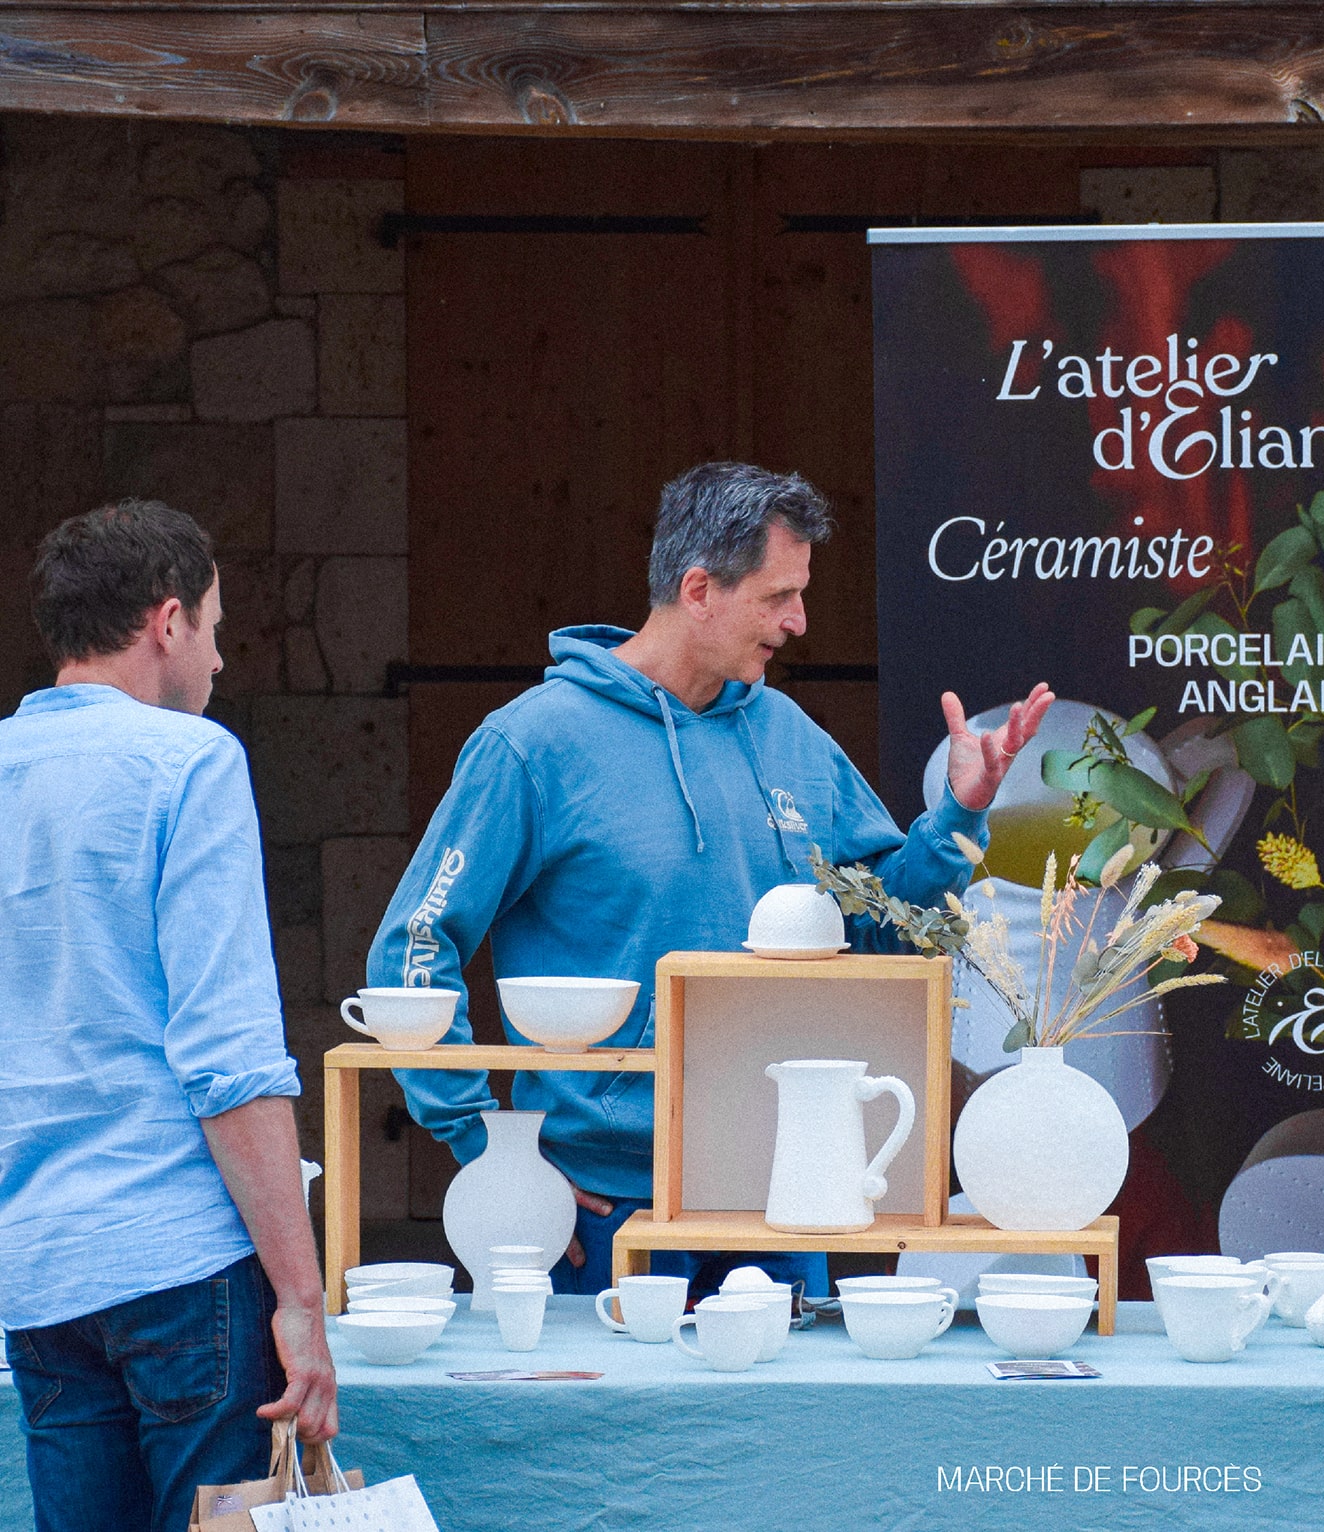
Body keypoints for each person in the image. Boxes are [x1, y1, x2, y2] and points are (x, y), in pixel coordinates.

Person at [370, 463, 1051, 1298]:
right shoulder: (533, 744)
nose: (800, 623)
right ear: (698, 589)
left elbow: (880, 928)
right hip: (600, 1210)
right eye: (778, 597)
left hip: (787, 1198)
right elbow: (415, 943)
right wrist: (488, 1149)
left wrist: (955, 822)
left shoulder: (793, 737)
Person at [0, 501, 338, 1532]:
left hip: (40, 1270)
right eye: (218, 628)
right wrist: (301, 1295)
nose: (223, 661)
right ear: (167, 620)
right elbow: (230, 1059)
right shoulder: (189, 759)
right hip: (180, 1256)